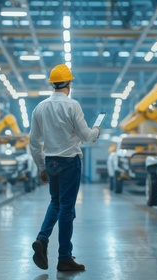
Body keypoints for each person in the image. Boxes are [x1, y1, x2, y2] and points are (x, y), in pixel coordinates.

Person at [29, 64, 100, 271]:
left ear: (53, 84)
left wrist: (41, 166)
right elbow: (86, 136)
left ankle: (42, 239)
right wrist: (96, 130)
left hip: (50, 162)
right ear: (69, 84)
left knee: (56, 203)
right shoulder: (72, 106)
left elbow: (33, 141)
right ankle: (64, 258)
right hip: (70, 161)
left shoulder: (39, 108)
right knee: (67, 208)